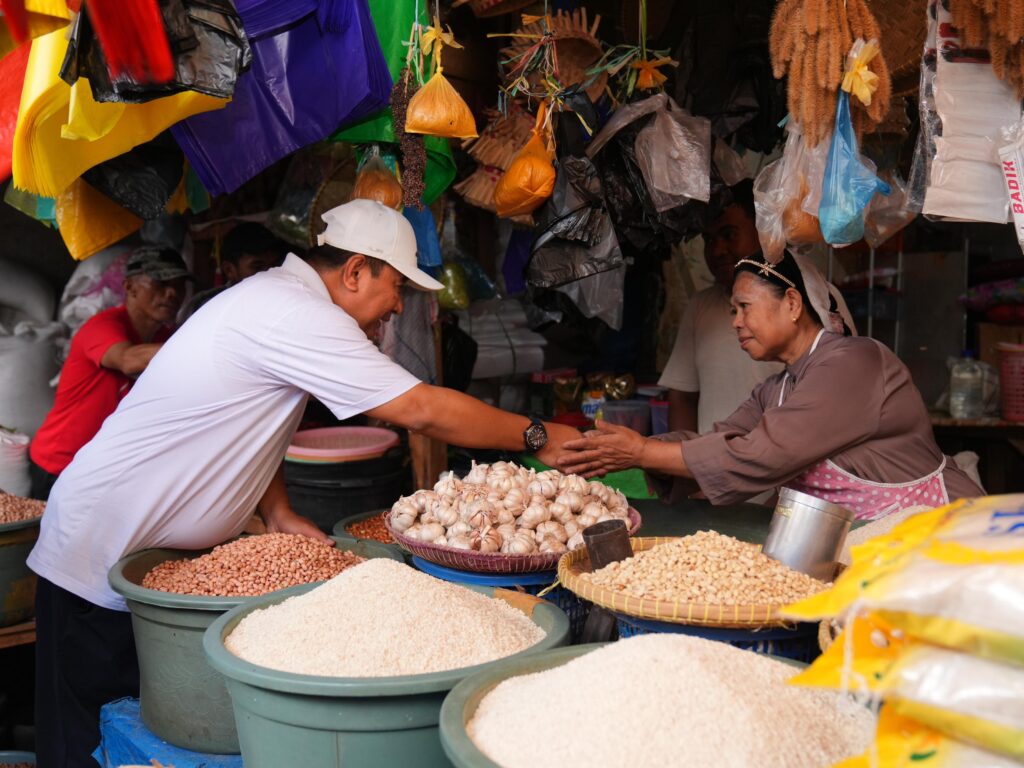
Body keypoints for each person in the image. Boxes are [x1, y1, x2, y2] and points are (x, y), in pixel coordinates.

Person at [28, 199, 579, 767]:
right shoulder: (296, 313)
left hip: (138, 556)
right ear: (356, 270)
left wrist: (278, 510)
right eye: (395, 289)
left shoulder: (274, 301)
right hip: (97, 555)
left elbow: (248, 422)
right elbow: (418, 408)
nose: (394, 308)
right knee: (84, 741)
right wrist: (538, 434)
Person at [561, 251, 983, 517]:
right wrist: (633, 453)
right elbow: (723, 441)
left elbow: (761, 455)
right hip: (863, 548)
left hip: (934, 538)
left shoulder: (853, 361)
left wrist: (643, 451)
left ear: (793, 304)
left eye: (744, 307)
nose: (736, 323)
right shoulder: (777, 388)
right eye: (731, 311)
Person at [27, 247, 191, 500]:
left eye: (179, 286)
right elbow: (127, 360)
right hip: (60, 465)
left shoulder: (164, 339)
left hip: (104, 470)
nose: (172, 294)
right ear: (129, 287)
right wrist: (199, 344)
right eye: (160, 283)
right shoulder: (103, 326)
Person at [660, 181, 783, 433]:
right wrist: (682, 468)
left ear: (762, 231)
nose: (716, 250)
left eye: (729, 235)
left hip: (788, 469)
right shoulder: (700, 308)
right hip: (713, 469)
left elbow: (842, 394)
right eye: (709, 239)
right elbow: (682, 398)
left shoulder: (811, 295)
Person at [182, 221, 285, 319]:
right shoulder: (208, 306)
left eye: (275, 265)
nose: (270, 273)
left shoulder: (286, 299)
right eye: (257, 267)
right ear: (229, 270)